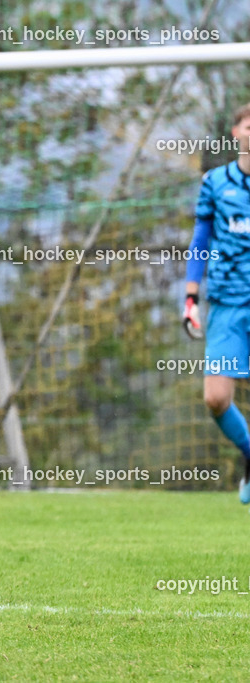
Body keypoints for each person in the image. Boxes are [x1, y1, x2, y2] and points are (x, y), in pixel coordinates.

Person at [183, 101, 250, 505]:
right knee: (216, 398)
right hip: (227, 304)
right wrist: (190, 295)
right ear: (235, 133)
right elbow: (200, 242)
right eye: (249, 125)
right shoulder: (215, 182)